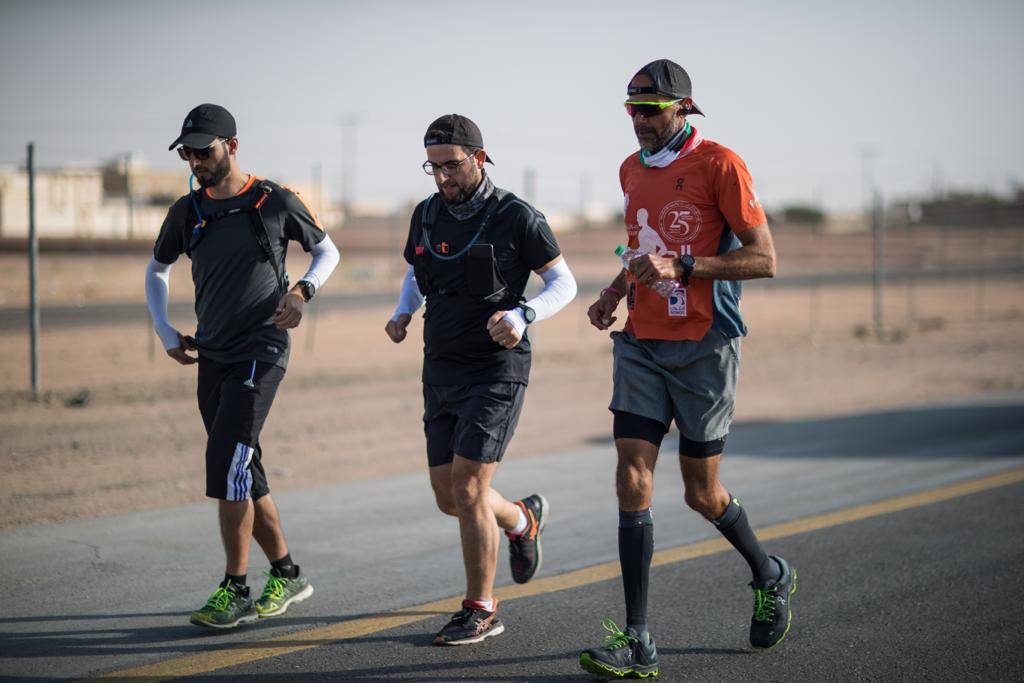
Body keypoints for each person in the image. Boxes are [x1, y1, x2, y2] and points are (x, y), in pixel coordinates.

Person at [578, 60, 795, 678]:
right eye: (632, 110)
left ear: (682, 108)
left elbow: (764, 259)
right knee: (632, 478)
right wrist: (614, 291)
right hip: (642, 342)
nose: (639, 121)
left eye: (650, 110)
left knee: (702, 493)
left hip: (706, 344)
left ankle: (769, 573)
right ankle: (639, 639)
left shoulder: (721, 165)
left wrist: (686, 267)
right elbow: (643, 248)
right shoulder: (630, 169)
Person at [145, 103, 340, 629]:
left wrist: (301, 291)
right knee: (243, 465)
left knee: (227, 460)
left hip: (263, 346)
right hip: (212, 352)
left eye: (203, 151)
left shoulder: (273, 200)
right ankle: (288, 573)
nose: (195, 162)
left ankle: (235, 587)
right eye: (187, 154)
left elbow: (328, 253)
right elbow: (157, 269)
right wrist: (164, 329)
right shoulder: (187, 211)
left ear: (231, 146)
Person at [385, 114, 577, 645]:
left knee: (469, 487)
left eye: (451, 165)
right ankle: (520, 520)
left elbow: (564, 283)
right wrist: (403, 312)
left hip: (496, 367)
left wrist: (523, 315)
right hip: (440, 364)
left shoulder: (517, 216)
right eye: (433, 167)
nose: (442, 176)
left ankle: (480, 609)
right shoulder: (426, 214)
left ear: (480, 158)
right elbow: (415, 270)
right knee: (449, 496)